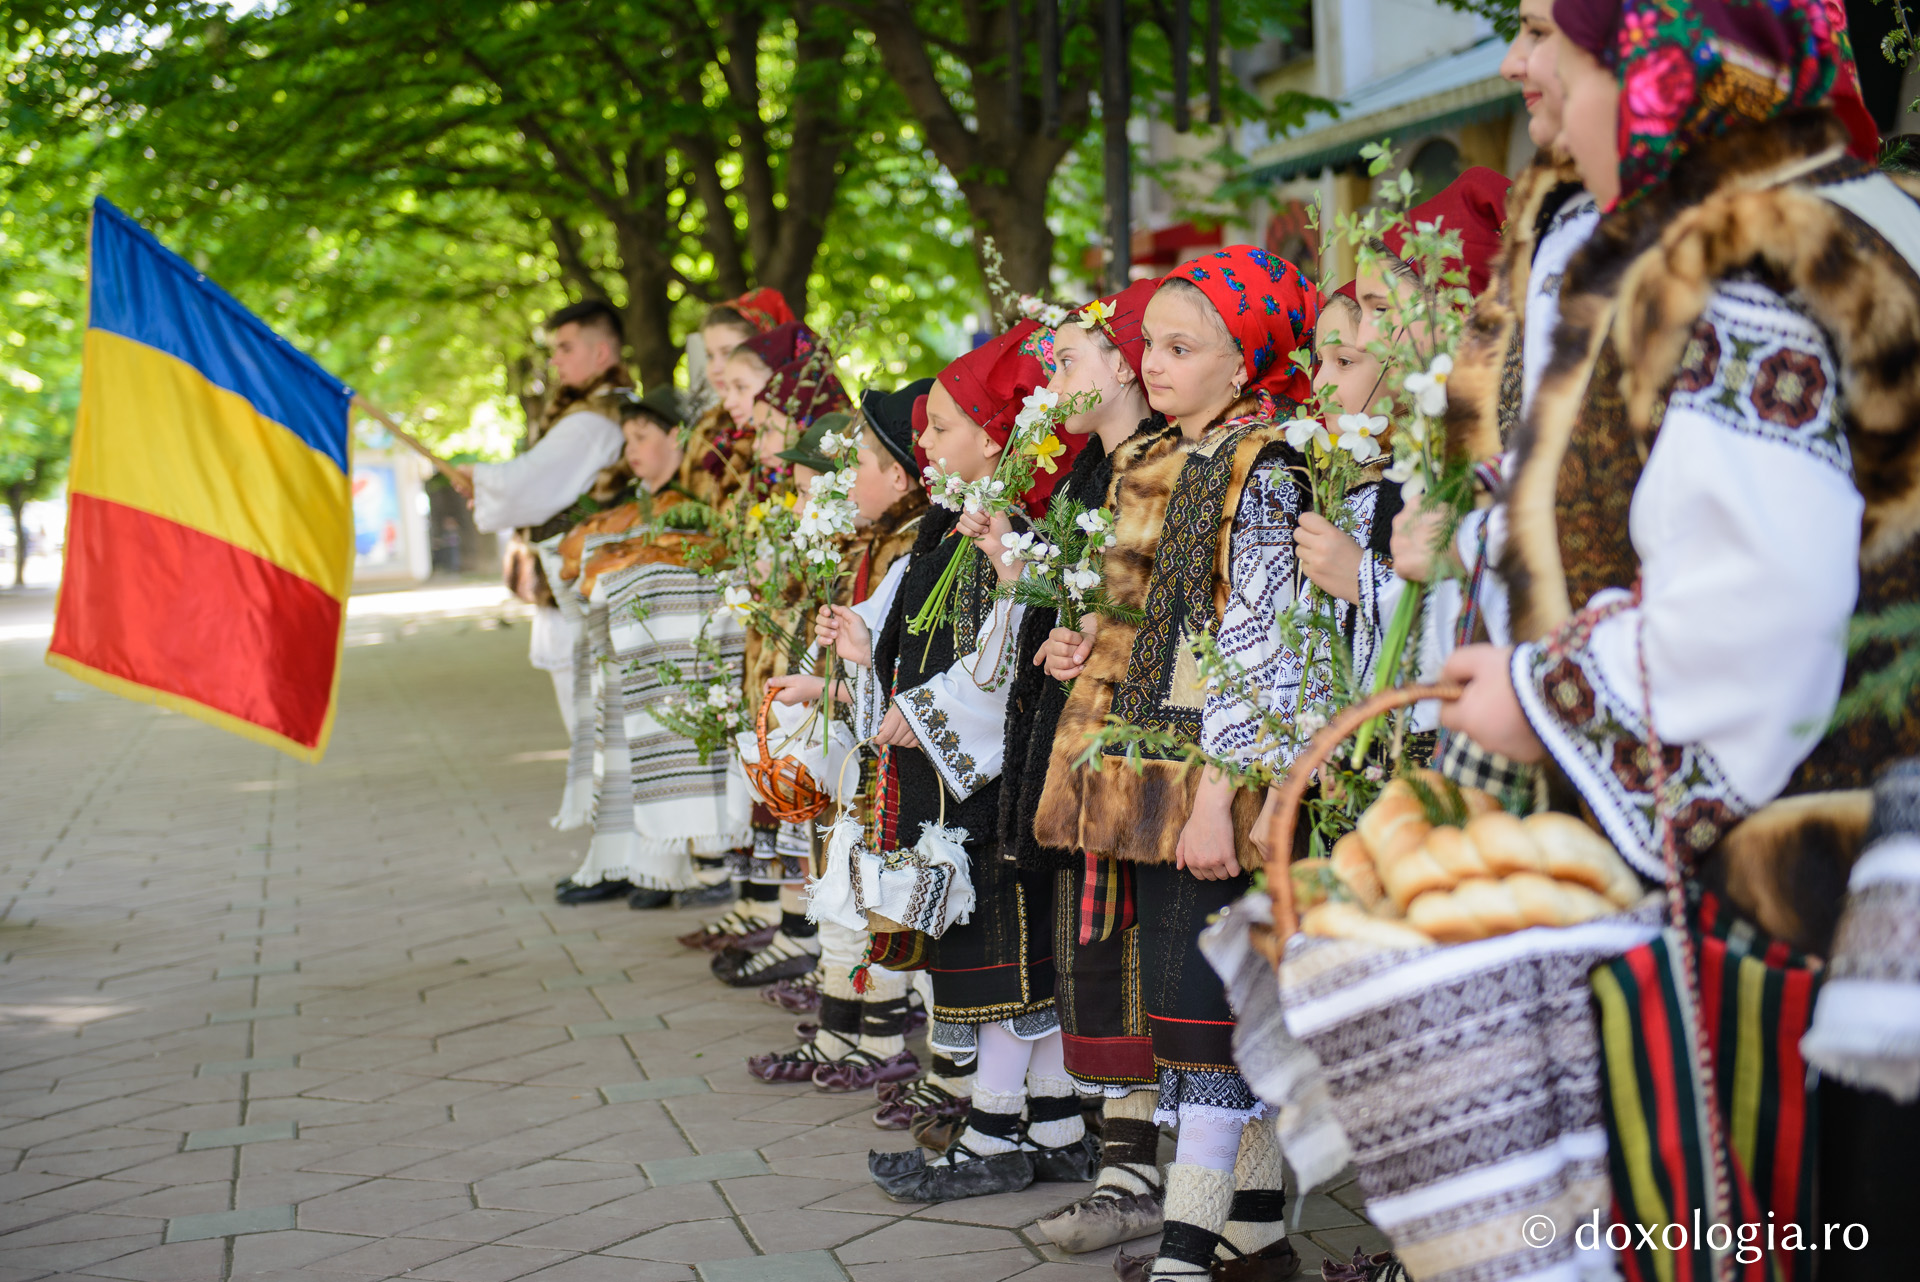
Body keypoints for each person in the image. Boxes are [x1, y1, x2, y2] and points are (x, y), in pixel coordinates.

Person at [1433, 0, 1917, 1272]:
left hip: (1796, 897)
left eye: (1557, 41)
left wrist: (1541, 696)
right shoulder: (1863, 209)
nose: (1518, 67)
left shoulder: (1743, 251)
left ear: (1659, 70)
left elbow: (1755, 615)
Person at [1033, 251, 1318, 1282]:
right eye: (1149, 342)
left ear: (1247, 361)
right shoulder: (1179, 459)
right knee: (1199, 1008)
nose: (1151, 362)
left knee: (1209, 1017)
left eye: (1180, 346)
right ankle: (1251, 1226)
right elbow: (1157, 623)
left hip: (1216, 783)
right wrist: (1085, 645)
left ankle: (1190, 1252)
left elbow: (1264, 650)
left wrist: (1216, 795)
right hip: (1153, 777)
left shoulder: (1266, 467)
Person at [813, 323, 1097, 1203]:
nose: (926, 442)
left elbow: (1007, 662)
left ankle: (999, 1130)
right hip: (953, 779)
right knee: (991, 953)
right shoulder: (950, 537)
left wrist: (922, 713)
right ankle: (1042, 1122)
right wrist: (870, 655)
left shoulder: (1013, 537)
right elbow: (925, 649)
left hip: (991, 785)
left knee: (1007, 953)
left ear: (993, 434)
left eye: (940, 426)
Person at [992, 280, 1179, 1253]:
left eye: (1068, 357)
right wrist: (1057, 630)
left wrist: (1090, 637)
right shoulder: (1082, 480)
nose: (1054, 375)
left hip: (1141, 748)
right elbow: (1077, 613)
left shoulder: (1163, 467)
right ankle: (1123, 1167)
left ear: (1122, 364)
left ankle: (1162, 1177)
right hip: (1080, 745)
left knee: (1144, 953)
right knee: (1096, 952)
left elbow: (1168, 611)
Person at [745, 383, 935, 1093]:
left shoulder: (908, 547)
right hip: (862, 741)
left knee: (873, 885)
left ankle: (877, 1036)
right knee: (846, 883)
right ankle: (841, 1029)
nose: (843, 485)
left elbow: (902, 664)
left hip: (893, 749)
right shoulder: (875, 544)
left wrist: (832, 687)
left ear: (898, 475)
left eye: (856, 465)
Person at [458, 299, 632, 742]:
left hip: (585, 587)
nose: (555, 360)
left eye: (566, 348)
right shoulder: (598, 410)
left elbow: (530, 484)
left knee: (593, 737)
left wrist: (478, 477)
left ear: (601, 353)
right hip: (581, 585)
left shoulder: (595, 419)